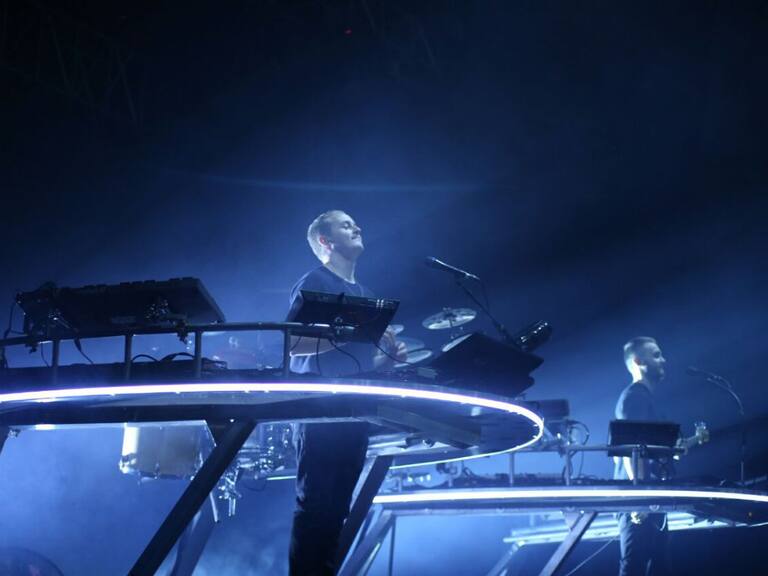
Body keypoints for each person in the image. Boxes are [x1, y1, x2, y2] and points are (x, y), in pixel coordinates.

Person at [286, 210, 407, 575]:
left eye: (355, 223)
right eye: (345, 224)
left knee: (337, 509)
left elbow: (358, 363)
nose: (357, 227)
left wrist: (386, 363)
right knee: (317, 507)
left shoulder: (366, 294)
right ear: (326, 241)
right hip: (320, 411)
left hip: (354, 411)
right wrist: (351, 334)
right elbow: (292, 343)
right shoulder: (315, 281)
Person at [614, 336, 669, 576]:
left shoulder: (642, 397)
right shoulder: (634, 397)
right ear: (638, 361)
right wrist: (639, 497)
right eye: (656, 355)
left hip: (650, 497)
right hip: (641, 499)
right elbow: (629, 448)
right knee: (635, 566)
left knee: (655, 566)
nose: (663, 360)